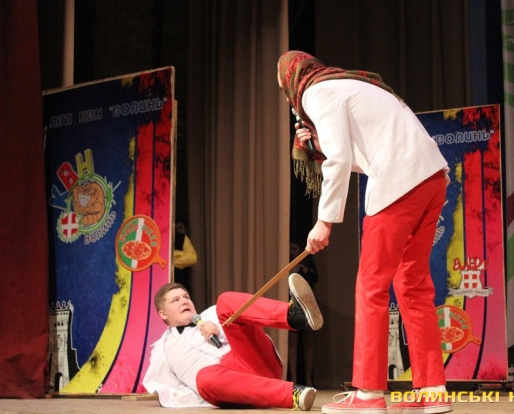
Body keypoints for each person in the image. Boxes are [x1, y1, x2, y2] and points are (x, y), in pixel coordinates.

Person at [277, 51, 452, 414]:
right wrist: (319, 146)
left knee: (372, 285)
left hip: (399, 183)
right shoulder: (349, 85)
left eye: (284, 90)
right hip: (432, 177)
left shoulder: (316, 92)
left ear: (292, 81)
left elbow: (341, 160)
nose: (290, 99)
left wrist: (324, 221)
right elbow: (365, 155)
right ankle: (432, 390)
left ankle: (369, 394)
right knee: (412, 284)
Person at [142, 273, 323, 410]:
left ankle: (295, 316)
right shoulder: (162, 349)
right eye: (176, 300)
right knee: (204, 379)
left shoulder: (212, 314)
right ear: (163, 314)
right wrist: (197, 395)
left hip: (255, 363)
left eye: (186, 297)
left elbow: (248, 334)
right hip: (232, 388)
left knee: (225, 301)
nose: (184, 302)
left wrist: (219, 331)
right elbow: (161, 387)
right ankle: (293, 395)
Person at [288, 239, 318, 386]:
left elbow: (315, 279)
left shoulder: (307, 263)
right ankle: (293, 378)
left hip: (307, 306)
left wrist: (304, 271)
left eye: (294, 248)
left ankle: (308, 379)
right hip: (291, 306)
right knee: (292, 342)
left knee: (308, 343)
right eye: (289, 249)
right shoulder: (285, 263)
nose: (291, 252)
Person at [173, 217, 197, 290]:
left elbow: (193, 258)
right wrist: (180, 254)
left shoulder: (183, 238)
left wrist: (174, 256)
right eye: (175, 229)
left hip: (181, 280)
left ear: (186, 229)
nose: (178, 231)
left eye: (180, 228)